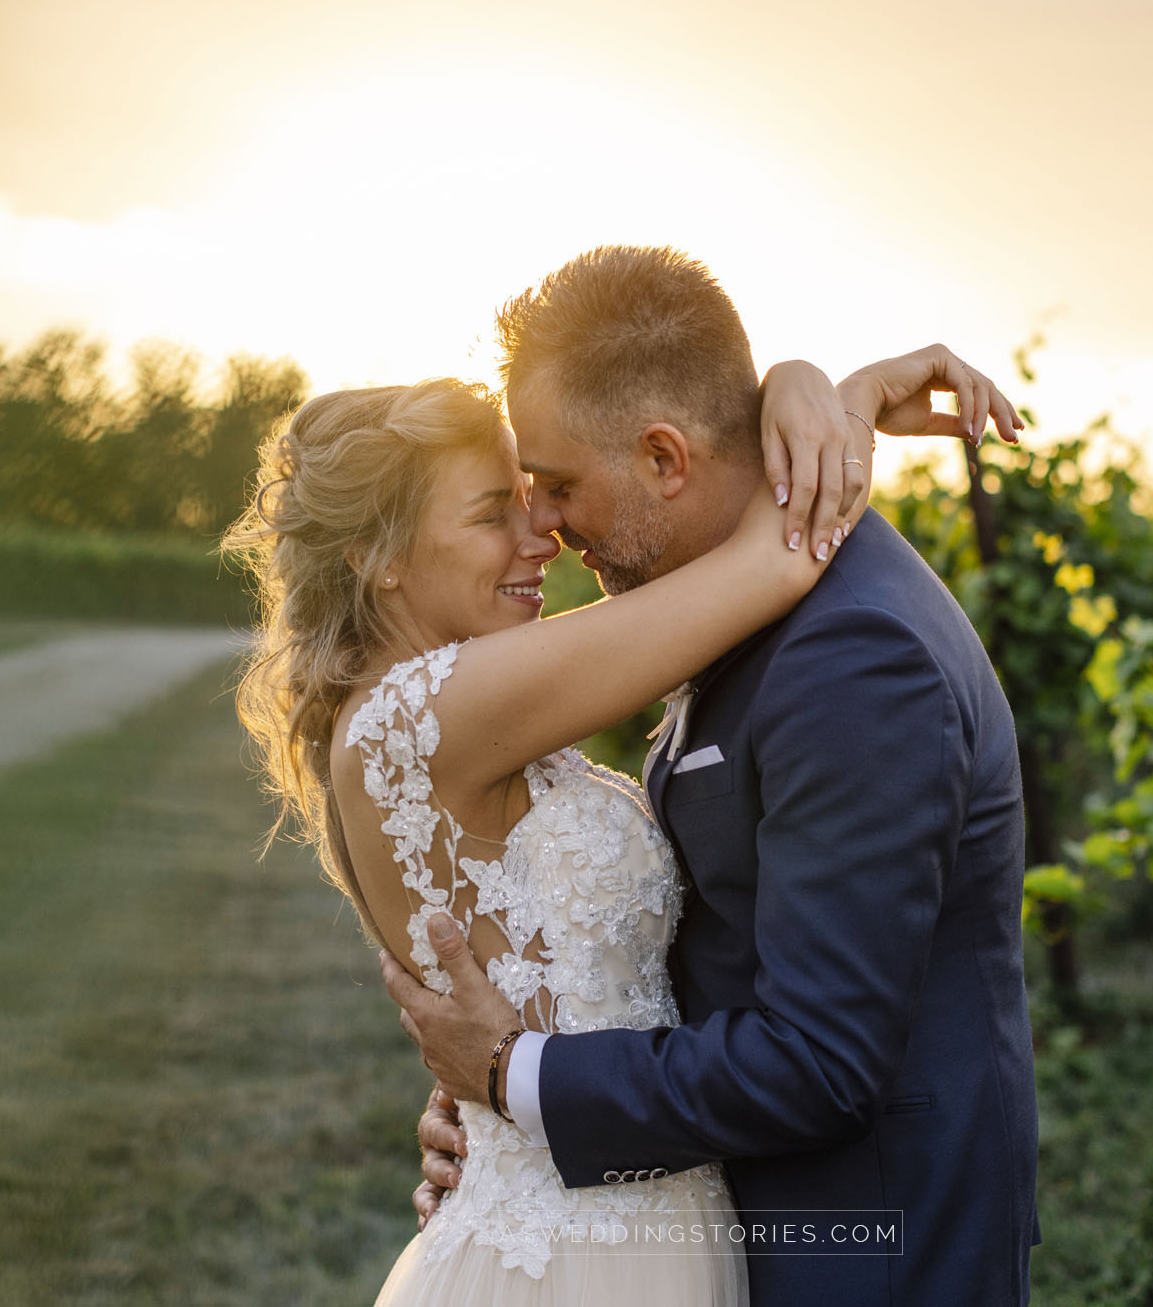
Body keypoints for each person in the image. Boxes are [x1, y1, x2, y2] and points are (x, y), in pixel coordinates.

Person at [225, 248, 1020, 1306]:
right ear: (378, 555)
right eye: (499, 507)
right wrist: (824, 397)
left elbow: (808, 1048)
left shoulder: (844, 655)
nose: (540, 530)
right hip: (589, 1244)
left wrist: (513, 1081)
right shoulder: (423, 717)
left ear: (661, 454)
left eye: (547, 488)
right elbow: (781, 550)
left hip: (836, 1242)